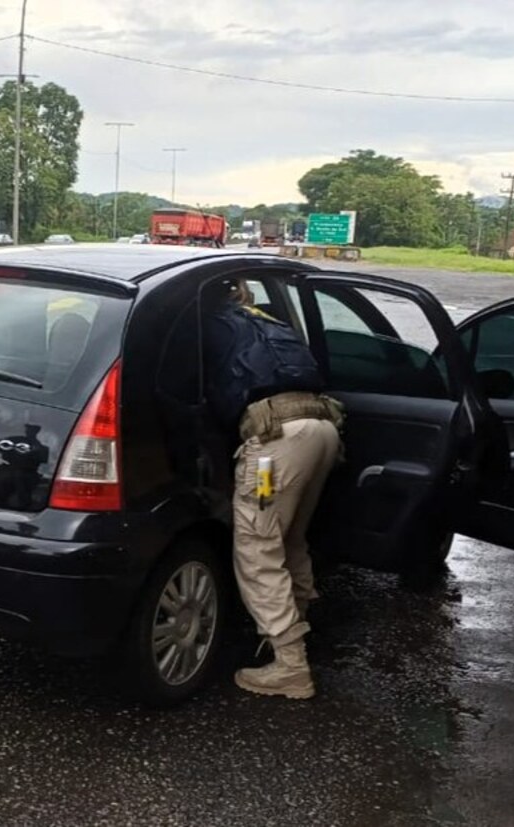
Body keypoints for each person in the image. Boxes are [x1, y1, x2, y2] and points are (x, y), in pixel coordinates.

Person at [201, 279, 343, 700]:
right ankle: (297, 621)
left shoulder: (209, 325)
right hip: (322, 429)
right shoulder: (265, 319)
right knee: (289, 536)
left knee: (258, 547)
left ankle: (290, 666)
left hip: (274, 448)